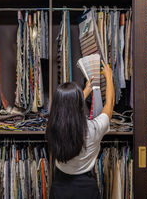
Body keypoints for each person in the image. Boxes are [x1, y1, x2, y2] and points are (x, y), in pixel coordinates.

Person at [46, 61, 115, 199]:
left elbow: (66, 108)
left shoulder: (53, 126)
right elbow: (110, 103)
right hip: (86, 189)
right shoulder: (94, 128)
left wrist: (86, 90)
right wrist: (109, 77)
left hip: (59, 187)